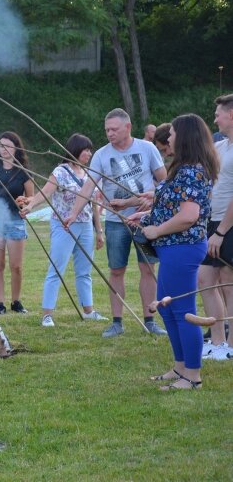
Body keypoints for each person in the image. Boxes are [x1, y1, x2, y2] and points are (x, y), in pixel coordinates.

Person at [127, 114, 217, 390]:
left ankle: (193, 376)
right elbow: (171, 207)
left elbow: (188, 216)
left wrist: (156, 231)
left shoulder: (192, 172)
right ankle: (180, 368)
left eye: (174, 133)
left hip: (183, 248)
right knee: (167, 310)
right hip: (173, 248)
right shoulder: (184, 168)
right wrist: (145, 218)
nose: (169, 138)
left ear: (185, 137)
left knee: (182, 311)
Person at [65, 108, 168, 337]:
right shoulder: (101, 155)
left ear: (128, 127)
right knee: (116, 270)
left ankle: (150, 320)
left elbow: (165, 182)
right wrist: (73, 213)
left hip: (145, 219)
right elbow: (89, 187)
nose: (109, 133)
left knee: (148, 269)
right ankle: (117, 322)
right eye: (106, 130)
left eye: (114, 129)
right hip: (116, 222)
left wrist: (150, 200)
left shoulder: (147, 148)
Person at [20, 134, 106, 327]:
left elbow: (93, 205)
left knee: (84, 271)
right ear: (75, 150)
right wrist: (30, 205)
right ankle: (47, 315)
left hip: (85, 227)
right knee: (56, 269)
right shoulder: (61, 172)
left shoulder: (89, 173)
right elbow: (46, 192)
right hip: (64, 226)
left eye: (90, 150)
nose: (89, 153)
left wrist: (99, 231)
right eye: (86, 150)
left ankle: (89, 311)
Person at [0, 131, 34, 315]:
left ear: (16, 148)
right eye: (1, 146)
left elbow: (31, 198)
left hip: (15, 221)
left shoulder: (23, 172)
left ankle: (16, 302)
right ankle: (0, 304)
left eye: (8, 146)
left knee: (16, 266)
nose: (4, 150)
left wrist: (25, 202)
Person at [198, 93, 233, 360]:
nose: (215, 118)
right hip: (210, 221)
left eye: (218, 114)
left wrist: (221, 231)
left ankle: (231, 346)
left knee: (228, 282)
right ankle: (218, 342)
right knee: (205, 279)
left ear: (231, 115)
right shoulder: (220, 147)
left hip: (227, 224)